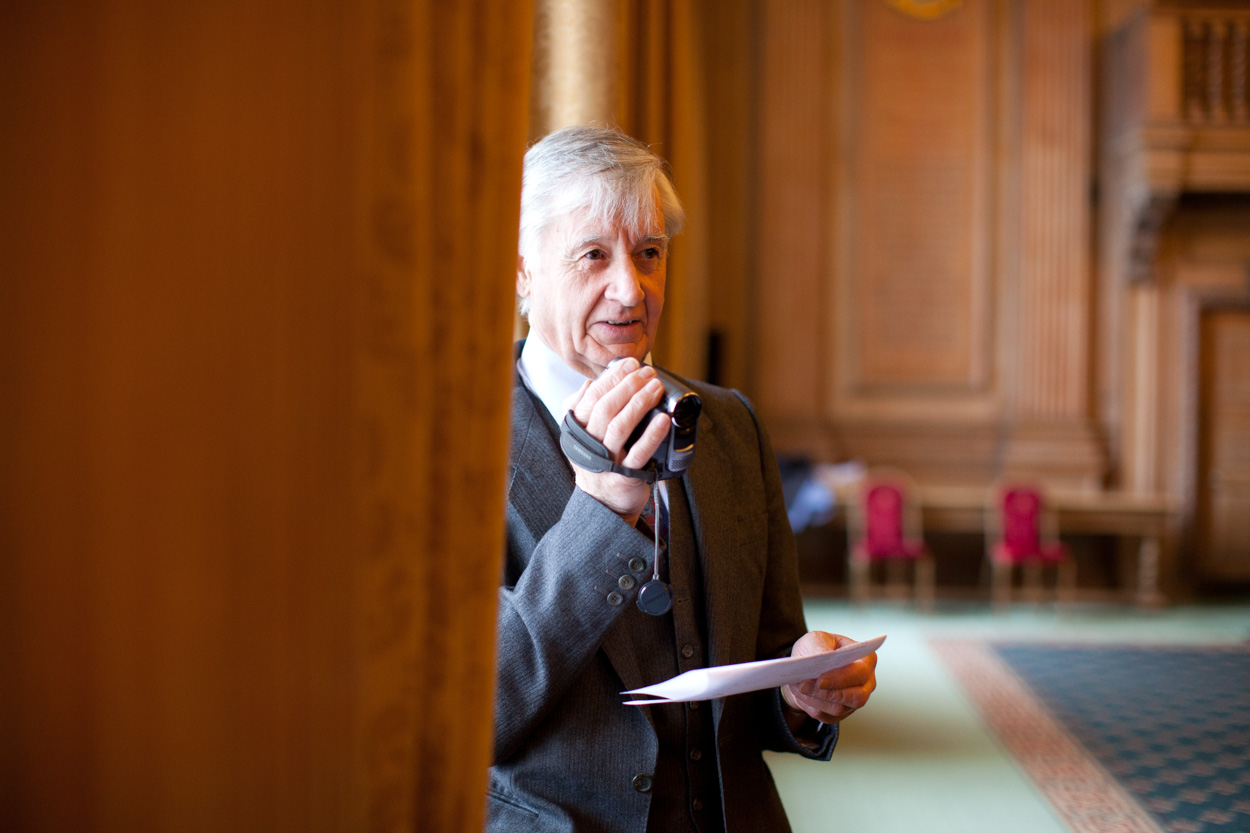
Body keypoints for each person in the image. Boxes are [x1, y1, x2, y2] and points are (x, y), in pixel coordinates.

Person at [489, 125, 878, 833]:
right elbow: (479, 708)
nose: (629, 288)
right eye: (593, 256)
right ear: (522, 270)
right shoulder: (461, 445)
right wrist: (603, 510)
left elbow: (770, 655)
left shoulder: (731, 425)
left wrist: (803, 687)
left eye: (648, 254)